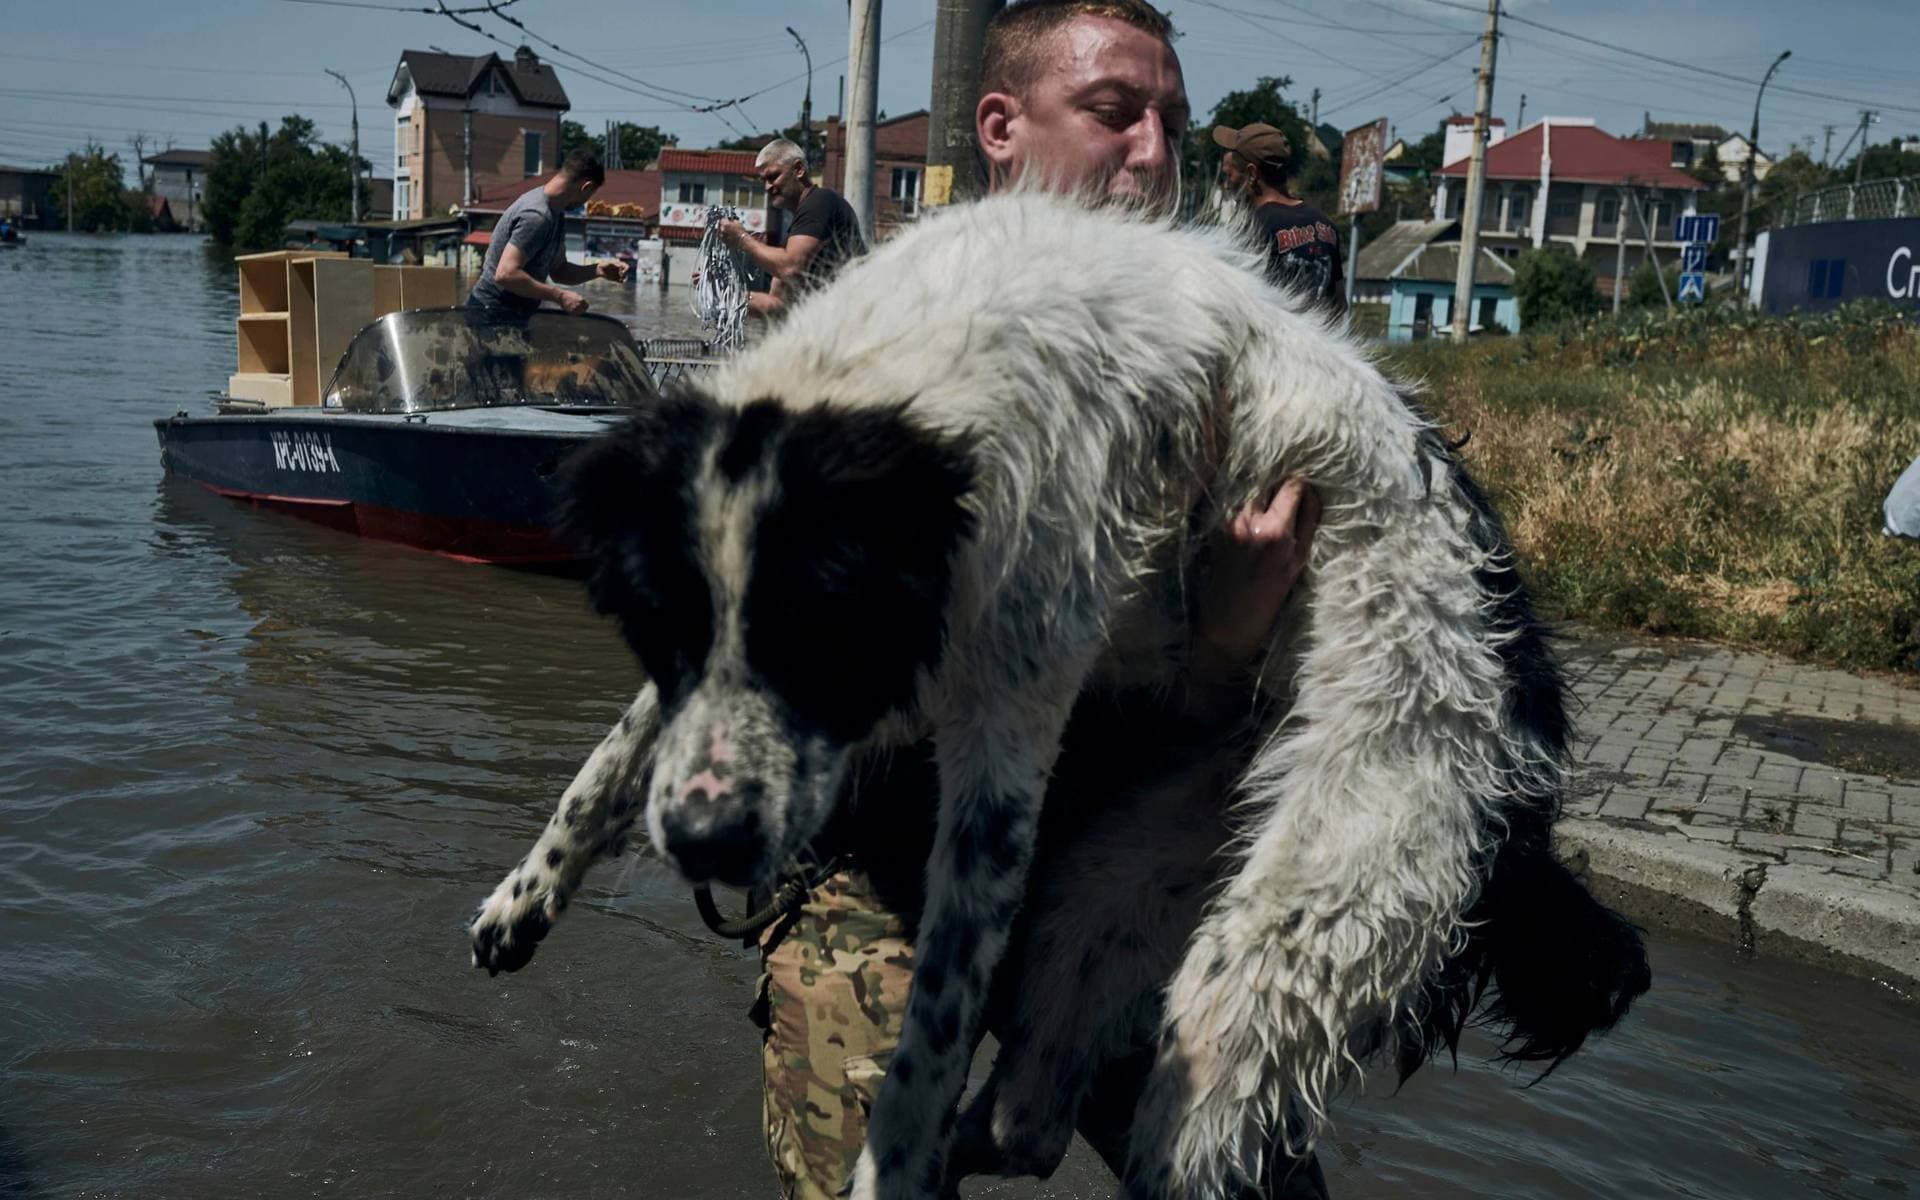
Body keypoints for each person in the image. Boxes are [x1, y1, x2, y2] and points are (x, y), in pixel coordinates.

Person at [749, 3, 1328, 1198]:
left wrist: (1228, 636)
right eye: (1115, 115)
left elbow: (1221, 737)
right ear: (1001, 128)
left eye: (1173, 121)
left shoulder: (1237, 378)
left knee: (1254, 1183)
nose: (1156, 157)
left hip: (1100, 879)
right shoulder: (886, 350)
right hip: (885, 871)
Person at [716, 138, 866, 317]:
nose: (767, 187)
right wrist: (720, 290)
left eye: (772, 177)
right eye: (763, 180)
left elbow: (791, 267)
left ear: (799, 169)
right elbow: (777, 306)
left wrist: (742, 239)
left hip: (852, 321)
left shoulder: (820, 202)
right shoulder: (797, 230)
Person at [467, 149, 628, 315]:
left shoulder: (556, 213)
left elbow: (559, 271)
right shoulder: (537, 216)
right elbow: (506, 274)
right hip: (490, 313)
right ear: (586, 187)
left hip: (515, 314)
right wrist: (560, 296)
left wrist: (598, 270)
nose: (586, 201)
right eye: (590, 195)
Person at [1214, 122, 1348, 316]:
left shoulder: (1251, 229)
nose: (1227, 185)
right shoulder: (1326, 227)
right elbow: (1339, 307)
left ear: (1252, 174)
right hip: (1317, 344)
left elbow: (1235, 307)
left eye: (1230, 174)